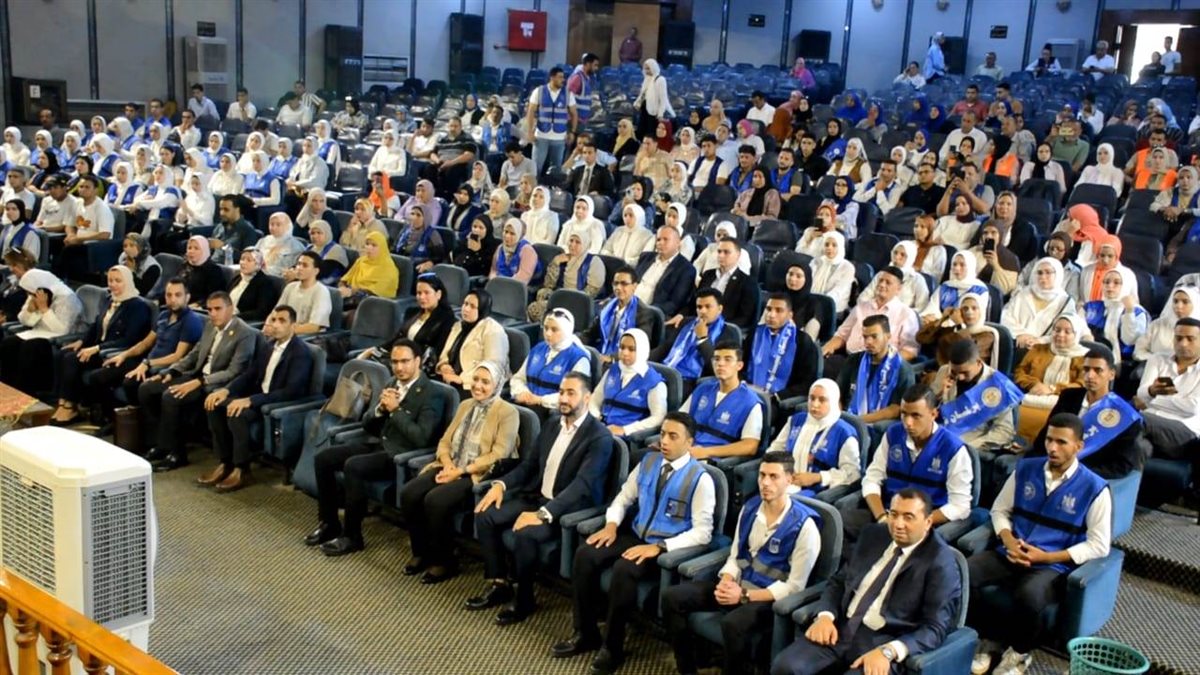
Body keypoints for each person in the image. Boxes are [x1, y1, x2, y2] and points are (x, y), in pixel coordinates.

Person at [553, 410, 711, 672]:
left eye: (673, 436)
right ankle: (585, 632)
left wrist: (659, 547)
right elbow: (624, 498)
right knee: (585, 553)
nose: (665, 441)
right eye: (663, 434)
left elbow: (703, 532)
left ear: (689, 442)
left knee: (623, 569)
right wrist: (611, 525)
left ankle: (612, 647)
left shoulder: (700, 479)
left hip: (664, 548)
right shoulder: (648, 462)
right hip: (635, 534)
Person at [967, 413, 1112, 675]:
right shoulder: (1025, 469)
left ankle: (1019, 653)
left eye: (1062, 442)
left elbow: (1099, 545)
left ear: (1078, 446)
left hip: (1052, 564)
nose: (1052, 448)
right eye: (1049, 440)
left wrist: (1047, 558)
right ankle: (988, 640)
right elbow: (999, 510)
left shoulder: (1095, 487)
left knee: (1029, 595)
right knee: (965, 572)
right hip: (1011, 551)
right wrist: (1008, 540)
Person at [771, 488, 961, 675]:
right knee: (785, 667)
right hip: (839, 628)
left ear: (928, 522)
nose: (898, 524)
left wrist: (889, 651)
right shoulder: (874, 535)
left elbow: (935, 628)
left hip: (883, 641)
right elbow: (839, 581)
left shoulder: (940, 562)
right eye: (893, 514)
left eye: (908, 517)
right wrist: (825, 616)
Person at [664, 450, 821, 675]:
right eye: (762, 475)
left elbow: (795, 587)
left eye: (774, 476)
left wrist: (744, 596)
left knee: (732, 625)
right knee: (672, 597)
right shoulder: (749, 508)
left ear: (790, 479)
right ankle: (687, 669)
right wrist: (726, 580)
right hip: (739, 586)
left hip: (767, 599)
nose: (765, 483)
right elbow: (735, 556)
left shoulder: (805, 527)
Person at [199, 305, 313, 492]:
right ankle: (225, 462)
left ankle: (241, 469)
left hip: (274, 404)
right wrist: (226, 390)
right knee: (215, 404)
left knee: (237, 413)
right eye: (273, 320)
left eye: (282, 321)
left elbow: (291, 391)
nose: (276, 324)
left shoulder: (300, 352)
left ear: (293, 325)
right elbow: (249, 375)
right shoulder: (268, 346)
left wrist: (250, 400)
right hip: (258, 396)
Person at [138, 291, 255, 471]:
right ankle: (160, 444)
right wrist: (172, 371)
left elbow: (233, 371)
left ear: (230, 309)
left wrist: (200, 381)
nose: (213, 314)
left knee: (171, 396)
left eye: (218, 309)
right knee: (147, 388)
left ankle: (177, 454)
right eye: (209, 309)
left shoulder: (244, 333)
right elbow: (194, 355)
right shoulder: (209, 325)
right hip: (196, 374)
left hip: (215, 383)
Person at [50, 266, 154, 426]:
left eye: (118, 281)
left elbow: (129, 340)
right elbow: (95, 325)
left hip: (116, 353)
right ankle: (63, 402)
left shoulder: (138, 306)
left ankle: (70, 407)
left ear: (127, 281)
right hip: (101, 348)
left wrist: (97, 348)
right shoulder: (109, 299)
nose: (113, 284)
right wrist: (82, 342)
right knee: (63, 354)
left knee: (73, 359)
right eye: (110, 280)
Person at [94, 277, 204, 425]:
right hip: (146, 362)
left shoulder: (191, 321)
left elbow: (178, 356)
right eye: (169, 295)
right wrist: (123, 355)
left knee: (130, 383)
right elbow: (146, 343)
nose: (172, 299)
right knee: (102, 375)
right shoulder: (164, 315)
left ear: (187, 297)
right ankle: (115, 422)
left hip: (163, 368)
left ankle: (139, 424)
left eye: (178, 295)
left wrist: (147, 363)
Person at [1030, 348, 1144, 479]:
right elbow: (1043, 439)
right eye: (1086, 369)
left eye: (1098, 370)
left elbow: (1121, 466)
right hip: (1049, 468)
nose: (1090, 376)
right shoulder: (1068, 397)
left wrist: (1075, 473)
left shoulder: (1125, 415)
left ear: (1111, 374)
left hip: (1086, 478)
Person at [678, 341, 765, 461]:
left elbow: (750, 446)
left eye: (727, 359)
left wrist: (706, 452)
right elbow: (680, 420)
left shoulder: (751, 402)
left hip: (714, 458)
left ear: (739, 366)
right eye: (717, 359)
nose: (720, 364)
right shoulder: (703, 388)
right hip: (686, 448)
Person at [931, 338, 1022, 454]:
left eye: (965, 372)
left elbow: (1004, 431)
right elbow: (929, 411)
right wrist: (939, 394)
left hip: (971, 444)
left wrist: (968, 447)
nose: (960, 377)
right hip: (940, 434)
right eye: (954, 372)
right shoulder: (944, 371)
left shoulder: (998, 386)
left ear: (978, 362)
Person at [0, 270, 83, 395]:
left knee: (30, 347)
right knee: (9, 343)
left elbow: (63, 330)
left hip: (59, 338)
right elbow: (24, 320)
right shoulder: (36, 293)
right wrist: (30, 311)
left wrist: (44, 309)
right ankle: (7, 387)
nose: (29, 295)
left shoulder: (67, 297)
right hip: (39, 332)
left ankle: (26, 390)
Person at [1013, 313, 1089, 441]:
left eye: (1067, 332)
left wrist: (1053, 389)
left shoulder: (1085, 357)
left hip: (1063, 404)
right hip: (1032, 397)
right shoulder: (1038, 349)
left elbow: (1082, 384)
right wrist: (1034, 384)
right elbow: (1020, 372)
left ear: (1076, 334)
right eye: (1056, 330)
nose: (1060, 335)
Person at [838, 315, 917, 437]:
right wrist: (837, 416)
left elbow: (896, 409)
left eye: (874, 337)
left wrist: (857, 420)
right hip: (846, 419)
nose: (868, 342)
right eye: (865, 337)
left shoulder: (902, 369)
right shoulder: (853, 360)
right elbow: (837, 394)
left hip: (873, 424)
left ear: (888, 336)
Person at [1133, 317, 1200, 457]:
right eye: (1178, 338)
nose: (1183, 344)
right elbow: (1141, 394)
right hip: (1150, 426)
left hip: (1185, 433)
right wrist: (1150, 392)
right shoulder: (1158, 359)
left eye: (1190, 339)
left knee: (1135, 419)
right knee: (1139, 446)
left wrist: (1151, 399)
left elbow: (1193, 407)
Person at [824, 267, 921, 362]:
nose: (882, 285)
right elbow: (841, 335)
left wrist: (887, 363)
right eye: (880, 281)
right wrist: (827, 347)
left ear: (898, 289)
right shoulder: (861, 307)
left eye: (888, 282)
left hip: (880, 365)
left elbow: (910, 351)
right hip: (849, 358)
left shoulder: (906, 314)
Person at [589, 328, 667, 439]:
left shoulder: (654, 382)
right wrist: (595, 416)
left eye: (631, 349)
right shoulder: (613, 370)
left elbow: (658, 418)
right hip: (601, 428)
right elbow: (595, 398)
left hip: (625, 436)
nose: (625, 353)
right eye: (622, 347)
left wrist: (626, 429)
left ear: (642, 350)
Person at [435, 289, 509, 395]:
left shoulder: (493, 330)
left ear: (482, 309)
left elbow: (494, 366)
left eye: (472, 306)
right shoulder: (459, 325)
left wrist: (462, 379)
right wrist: (444, 365)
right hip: (449, 378)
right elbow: (445, 353)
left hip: (476, 384)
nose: (466, 309)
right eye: (465, 304)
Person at [582, 266, 658, 362]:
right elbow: (590, 334)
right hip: (600, 354)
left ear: (634, 286)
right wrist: (574, 341)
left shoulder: (644, 313)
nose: (618, 287)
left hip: (623, 361)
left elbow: (638, 347)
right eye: (615, 283)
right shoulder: (607, 306)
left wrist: (612, 358)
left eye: (624, 284)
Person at [1003, 257, 1077, 350]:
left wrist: (1040, 341)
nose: (1043, 277)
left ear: (1058, 274)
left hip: (1046, 350)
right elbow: (1006, 316)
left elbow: (1067, 332)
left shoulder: (1065, 302)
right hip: (1016, 344)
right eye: (1039, 273)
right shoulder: (1023, 294)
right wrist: (1020, 334)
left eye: (1048, 272)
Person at [1082, 268, 1148, 364]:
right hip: (1088, 356)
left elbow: (1129, 340)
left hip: (1123, 363)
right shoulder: (1091, 306)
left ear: (1126, 284)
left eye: (1116, 283)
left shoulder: (1137, 311)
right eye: (1106, 282)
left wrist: (1129, 312)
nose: (1110, 286)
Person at [634, 225, 696, 319]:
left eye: (665, 239)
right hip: (627, 303)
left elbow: (674, 304)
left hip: (650, 313)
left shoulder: (686, 269)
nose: (660, 243)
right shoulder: (645, 257)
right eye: (658, 239)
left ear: (678, 243)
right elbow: (630, 282)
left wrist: (646, 311)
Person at [525, 67, 578, 176]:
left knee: (556, 170)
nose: (563, 80)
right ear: (552, 77)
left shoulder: (568, 94)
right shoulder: (539, 91)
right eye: (560, 77)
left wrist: (572, 132)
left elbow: (574, 114)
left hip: (559, 137)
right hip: (541, 135)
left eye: (563, 77)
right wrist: (529, 131)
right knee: (536, 168)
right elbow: (530, 112)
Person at [1136, 287, 1199, 361]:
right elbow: (1139, 351)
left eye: (1185, 302)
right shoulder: (1157, 325)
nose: (1178, 306)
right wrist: (1158, 361)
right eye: (1175, 301)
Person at [338, 232, 398, 309]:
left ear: (382, 248)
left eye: (374, 245)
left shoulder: (388, 268)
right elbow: (344, 279)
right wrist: (342, 287)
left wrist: (353, 292)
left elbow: (376, 293)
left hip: (373, 305)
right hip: (350, 298)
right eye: (367, 244)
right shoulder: (361, 261)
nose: (369, 248)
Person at [228, 249, 280, 322]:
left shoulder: (265, 284)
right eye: (242, 259)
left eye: (249, 260)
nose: (243, 263)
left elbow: (261, 312)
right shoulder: (237, 278)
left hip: (244, 322)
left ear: (258, 263)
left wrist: (235, 317)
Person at [393, 205, 446, 273]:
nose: (414, 218)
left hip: (417, 269)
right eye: (412, 214)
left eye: (418, 215)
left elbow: (439, 258)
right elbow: (394, 248)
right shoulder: (405, 230)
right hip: (398, 265)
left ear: (426, 218)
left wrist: (430, 263)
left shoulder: (432, 235)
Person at [208, 195, 259, 266]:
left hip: (230, 268)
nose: (222, 213)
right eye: (221, 209)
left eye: (226, 210)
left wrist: (223, 247)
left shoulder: (247, 230)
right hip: (212, 265)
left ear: (237, 210)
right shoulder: (219, 227)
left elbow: (248, 257)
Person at [634, 59, 674, 139]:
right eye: (645, 69)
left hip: (654, 112)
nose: (646, 71)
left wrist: (660, 114)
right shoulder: (646, 79)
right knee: (641, 132)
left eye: (648, 68)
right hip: (645, 109)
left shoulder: (660, 79)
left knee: (651, 134)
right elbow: (643, 94)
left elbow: (663, 99)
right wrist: (637, 103)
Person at [490, 218, 540, 283]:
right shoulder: (500, 248)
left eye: (512, 233)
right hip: (501, 284)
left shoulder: (527, 251)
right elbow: (494, 271)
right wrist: (493, 282)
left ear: (519, 235)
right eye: (506, 231)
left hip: (523, 286)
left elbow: (523, 279)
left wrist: (502, 284)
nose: (507, 236)